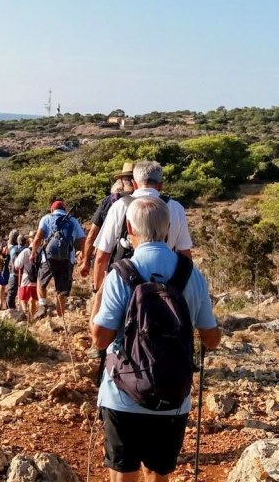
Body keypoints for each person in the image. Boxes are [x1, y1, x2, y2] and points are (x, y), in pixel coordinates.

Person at [90, 196, 221, 482]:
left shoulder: (120, 274)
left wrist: (96, 305)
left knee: (123, 473)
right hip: (173, 395)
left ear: (129, 228)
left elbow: (100, 339)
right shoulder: (192, 275)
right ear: (168, 227)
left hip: (122, 394)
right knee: (158, 473)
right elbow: (211, 339)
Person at [91, 160, 193, 293]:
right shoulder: (176, 208)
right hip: (166, 287)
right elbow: (185, 255)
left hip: (124, 284)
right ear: (160, 185)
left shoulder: (119, 207)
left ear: (134, 183)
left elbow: (101, 257)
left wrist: (98, 291)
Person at [79, 162, 136, 278]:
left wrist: (86, 260)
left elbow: (92, 234)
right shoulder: (150, 202)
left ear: (121, 181)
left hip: (111, 261)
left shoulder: (109, 201)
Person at [30, 200, 86, 319]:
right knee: (62, 290)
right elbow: (83, 239)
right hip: (67, 259)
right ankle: (61, 317)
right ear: (64, 210)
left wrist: (33, 253)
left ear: (52, 210)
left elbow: (38, 238)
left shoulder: (46, 218)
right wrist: (84, 255)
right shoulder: (73, 220)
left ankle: (43, 305)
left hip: (48, 258)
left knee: (41, 280)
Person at [12, 233, 38, 321]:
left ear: (30, 240)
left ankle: (25, 313)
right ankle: (31, 318)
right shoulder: (41, 250)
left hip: (26, 278)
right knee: (33, 299)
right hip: (37, 278)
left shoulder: (26, 251)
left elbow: (17, 265)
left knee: (23, 298)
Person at [0, 229, 19, 310]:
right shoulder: (9, 244)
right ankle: (2, 303)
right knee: (6, 286)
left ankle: (3, 303)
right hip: (9, 268)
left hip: (7, 268)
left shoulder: (6, 243)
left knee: (5, 286)